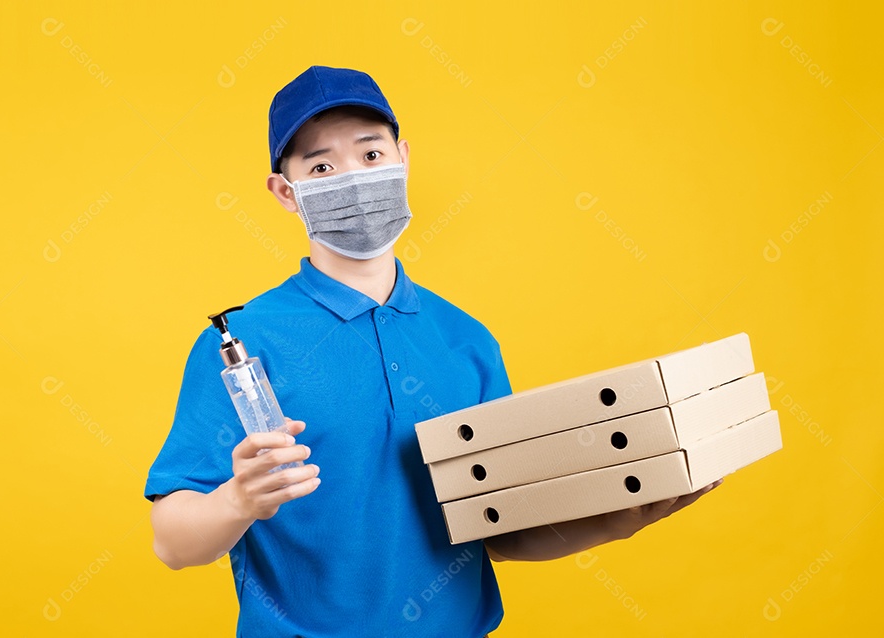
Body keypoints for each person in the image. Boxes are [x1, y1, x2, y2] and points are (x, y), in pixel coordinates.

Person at [144, 65, 721, 637]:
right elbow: (172, 543)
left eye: (371, 154)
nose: (354, 178)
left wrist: (616, 519)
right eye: (321, 166)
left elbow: (499, 528)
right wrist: (237, 500)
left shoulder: (465, 339)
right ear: (285, 192)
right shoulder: (245, 344)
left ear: (403, 160)